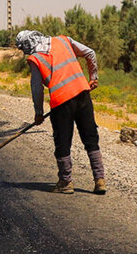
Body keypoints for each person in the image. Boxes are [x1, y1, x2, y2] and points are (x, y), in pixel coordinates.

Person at [16, 29, 106, 195]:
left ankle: (65, 182)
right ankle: (99, 180)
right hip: (83, 95)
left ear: (26, 45)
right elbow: (90, 53)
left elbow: (36, 88)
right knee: (90, 137)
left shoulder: (35, 58)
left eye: (22, 48)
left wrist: (38, 113)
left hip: (61, 103)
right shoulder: (63, 40)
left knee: (62, 142)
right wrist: (93, 77)